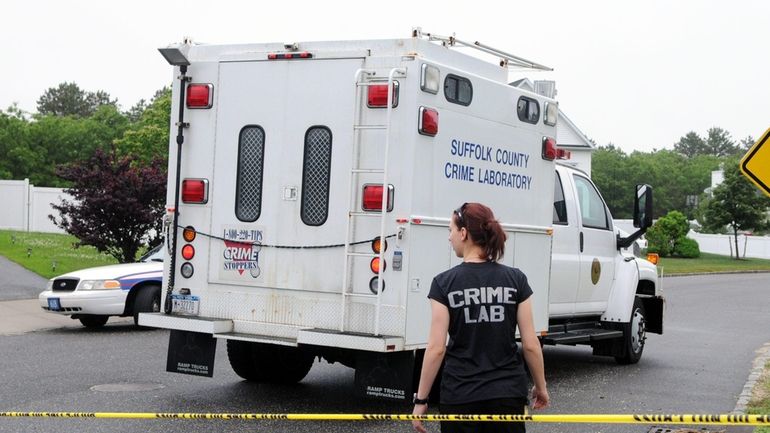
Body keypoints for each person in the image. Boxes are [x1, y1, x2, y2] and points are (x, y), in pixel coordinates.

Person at [411, 202, 549, 433]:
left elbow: (436, 348)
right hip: (507, 396)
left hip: (460, 395)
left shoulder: (444, 284)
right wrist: (541, 386)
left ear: (463, 233)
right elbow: (531, 345)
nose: (449, 238)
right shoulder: (516, 280)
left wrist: (421, 401)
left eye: (451, 231)